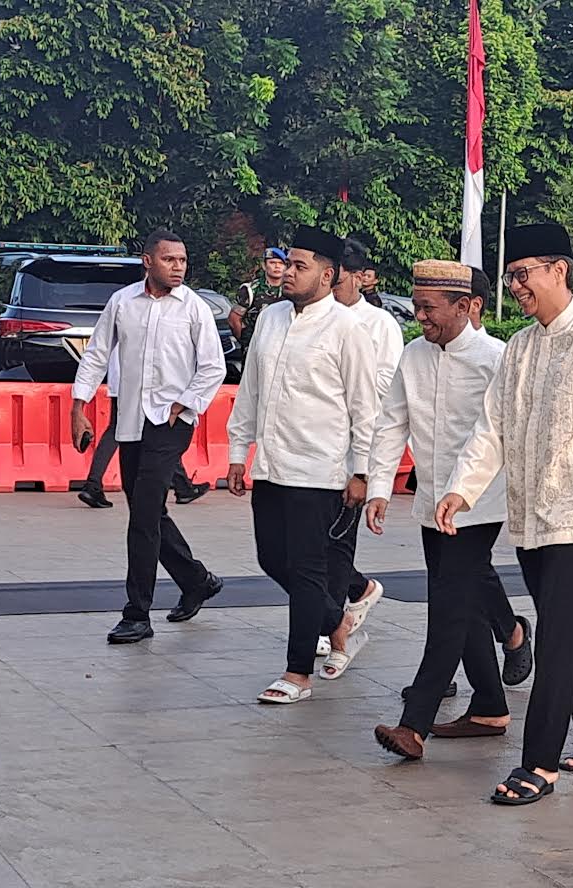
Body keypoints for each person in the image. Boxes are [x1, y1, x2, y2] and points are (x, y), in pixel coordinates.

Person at [437, 222, 573, 806]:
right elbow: (493, 428)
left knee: (556, 634)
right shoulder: (521, 347)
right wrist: (461, 488)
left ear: (558, 270)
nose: (517, 286)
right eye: (511, 276)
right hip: (531, 515)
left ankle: (539, 764)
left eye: (524, 274)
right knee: (564, 626)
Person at [370, 261, 529, 759]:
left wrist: (468, 491)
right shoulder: (413, 356)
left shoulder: (496, 359)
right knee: (460, 604)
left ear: (465, 307)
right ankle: (488, 705)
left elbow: (502, 437)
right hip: (429, 502)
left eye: (429, 308)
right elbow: (392, 423)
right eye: (416, 307)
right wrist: (378, 486)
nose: (420, 317)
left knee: (447, 609)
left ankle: (413, 724)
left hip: (478, 506)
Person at [224, 225, 381, 703]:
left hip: (321, 469)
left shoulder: (348, 328)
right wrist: (238, 450)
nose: (287, 272)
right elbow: (250, 387)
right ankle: (339, 621)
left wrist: (361, 472)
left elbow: (364, 406)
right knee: (271, 558)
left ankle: (297, 674)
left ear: (327, 274)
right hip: (272, 464)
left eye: (299, 266)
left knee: (309, 571)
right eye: (286, 263)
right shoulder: (270, 318)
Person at [71, 229, 226, 645]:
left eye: (182, 260)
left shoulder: (193, 309)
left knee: (142, 515)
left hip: (172, 423)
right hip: (130, 420)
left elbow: (213, 367)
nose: (178, 267)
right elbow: (97, 354)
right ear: (147, 261)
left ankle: (137, 614)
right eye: (169, 260)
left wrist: (186, 402)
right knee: (149, 512)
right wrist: (79, 407)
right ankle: (197, 580)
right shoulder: (123, 302)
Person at [326, 238, 400, 631]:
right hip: (316, 442)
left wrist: (345, 382)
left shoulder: (380, 324)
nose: (332, 290)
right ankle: (357, 588)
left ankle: (332, 618)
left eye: (338, 282)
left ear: (361, 278)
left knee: (338, 537)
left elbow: (387, 382)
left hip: (357, 440)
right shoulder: (313, 317)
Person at [77, 341, 209, 510]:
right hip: (139, 381)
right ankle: (93, 483)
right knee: (158, 429)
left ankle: (182, 485)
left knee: (128, 429)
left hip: (124, 378)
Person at [229, 246, 287, 345]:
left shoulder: (291, 289)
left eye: (281, 263)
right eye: (272, 263)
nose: (277, 266)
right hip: (256, 344)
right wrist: (246, 343)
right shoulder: (250, 289)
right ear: (264, 266)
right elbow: (234, 320)